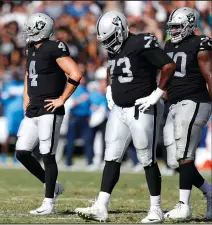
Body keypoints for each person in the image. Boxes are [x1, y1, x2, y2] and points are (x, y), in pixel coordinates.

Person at [75, 10, 176, 223]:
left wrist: (157, 93)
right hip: (119, 109)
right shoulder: (115, 48)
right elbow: (116, 71)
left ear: (121, 29)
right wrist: (111, 89)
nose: (108, 44)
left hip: (142, 107)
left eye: (111, 38)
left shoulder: (142, 42)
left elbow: (168, 65)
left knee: (146, 158)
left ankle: (156, 209)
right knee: (111, 156)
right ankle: (101, 206)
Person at [15, 13, 82, 215]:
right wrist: (25, 98)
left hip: (49, 109)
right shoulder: (31, 48)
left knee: (48, 155)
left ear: (41, 28)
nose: (27, 30)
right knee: (22, 152)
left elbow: (76, 74)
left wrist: (62, 99)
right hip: (33, 107)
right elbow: (28, 74)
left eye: (31, 27)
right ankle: (53, 186)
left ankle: (49, 203)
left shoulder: (55, 47)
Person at [161, 7, 212, 220]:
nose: (174, 31)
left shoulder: (201, 43)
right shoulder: (169, 44)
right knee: (174, 161)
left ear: (190, 25)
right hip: (173, 104)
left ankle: (184, 205)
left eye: (178, 26)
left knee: (184, 154)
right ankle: (209, 192)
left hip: (195, 101)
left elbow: (210, 76)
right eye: (172, 27)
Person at [0, 72, 24, 163]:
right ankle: (4, 155)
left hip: (21, 114)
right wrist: (9, 96)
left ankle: (16, 156)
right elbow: (2, 99)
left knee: (19, 136)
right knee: (7, 135)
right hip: (10, 114)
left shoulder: (24, 85)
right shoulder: (8, 86)